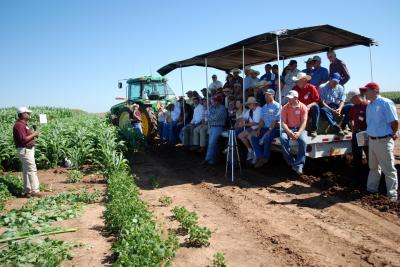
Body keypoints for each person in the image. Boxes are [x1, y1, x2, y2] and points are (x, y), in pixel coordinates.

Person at [363, 82, 399, 201]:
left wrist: (393, 133)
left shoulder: (385, 103)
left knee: (388, 169)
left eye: (366, 90)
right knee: (373, 167)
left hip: (383, 140)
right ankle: (371, 190)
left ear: (374, 91)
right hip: (372, 141)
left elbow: (394, 122)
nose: (364, 93)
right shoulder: (369, 105)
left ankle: (392, 196)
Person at [13, 107, 42, 197]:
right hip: (25, 149)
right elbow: (23, 139)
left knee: (26, 170)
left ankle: (27, 190)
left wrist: (32, 134)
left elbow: (26, 136)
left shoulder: (23, 124)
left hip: (26, 149)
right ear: (23, 114)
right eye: (28, 113)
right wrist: (34, 133)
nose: (29, 115)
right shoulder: (19, 125)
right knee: (31, 169)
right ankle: (35, 191)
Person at [250, 89, 281, 168]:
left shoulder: (278, 106)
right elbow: (262, 120)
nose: (266, 97)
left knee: (267, 138)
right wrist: (259, 130)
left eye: (268, 95)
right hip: (266, 128)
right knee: (254, 137)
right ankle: (260, 156)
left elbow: (275, 121)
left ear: (272, 95)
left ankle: (266, 157)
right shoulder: (264, 107)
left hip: (275, 129)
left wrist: (269, 131)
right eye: (265, 95)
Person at [280, 91, 308, 175]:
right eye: (288, 98)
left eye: (290, 98)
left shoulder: (303, 107)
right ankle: (291, 162)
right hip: (288, 128)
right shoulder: (285, 107)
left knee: (303, 141)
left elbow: (304, 122)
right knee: (283, 138)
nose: (288, 99)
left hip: (299, 129)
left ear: (296, 98)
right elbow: (283, 123)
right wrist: (288, 132)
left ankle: (299, 165)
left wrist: (299, 133)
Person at [292, 72, 320, 137]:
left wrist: (309, 106)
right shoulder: (294, 89)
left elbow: (317, 101)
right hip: (299, 109)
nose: (297, 82)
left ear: (305, 81)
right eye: (297, 81)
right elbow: (292, 101)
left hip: (309, 109)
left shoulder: (311, 87)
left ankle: (314, 129)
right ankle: (294, 128)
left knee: (316, 107)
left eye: (299, 81)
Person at [203, 95, 227, 165]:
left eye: (214, 100)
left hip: (219, 127)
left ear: (218, 101)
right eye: (213, 100)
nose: (212, 101)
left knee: (212, 143)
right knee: (213, 144)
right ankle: (213, 160)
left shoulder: (222, 108)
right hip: (212, 127)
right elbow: (209, 117)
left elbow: (215, 117)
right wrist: (210, 117)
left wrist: (210, 117)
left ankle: (207, 159)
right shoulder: (212, 107)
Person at [348, 93, 369, 174]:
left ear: (356, 97)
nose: (351, 102)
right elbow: (350, 117)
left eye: (352, 100)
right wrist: (351, 122)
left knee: (367, 151)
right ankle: (358, 171)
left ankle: (369, 170)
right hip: (356, 132)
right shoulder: (354, 107)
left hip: (364, 132)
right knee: (356, 152)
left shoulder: (367, 106)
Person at [237, 97, 262, 162]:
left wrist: (244, 125)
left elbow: (255, 123)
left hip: (259, 128)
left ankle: (256, 153)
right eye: (248, 104)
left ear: (254, 104)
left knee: (250, 136)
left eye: (249, 104)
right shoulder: (249, 110)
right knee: (240, 135)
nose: (248, 105)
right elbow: (244, 117)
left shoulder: (259, 110)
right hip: (252, 128)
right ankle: (250, 151)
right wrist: (239, 120)